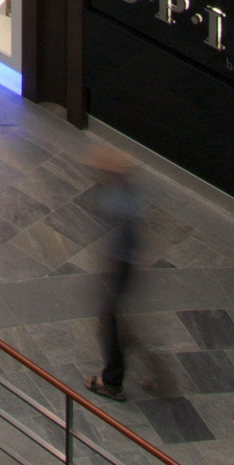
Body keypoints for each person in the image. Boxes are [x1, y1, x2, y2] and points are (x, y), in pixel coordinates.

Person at [86, 146, 145, 398]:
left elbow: (120, 242)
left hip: (120, 268)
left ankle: (111, 381)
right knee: (115, 320)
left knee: (109, 321)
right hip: (124, 267)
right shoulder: (127, 194)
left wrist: (110, 272)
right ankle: (145, 370)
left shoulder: (115, 200)